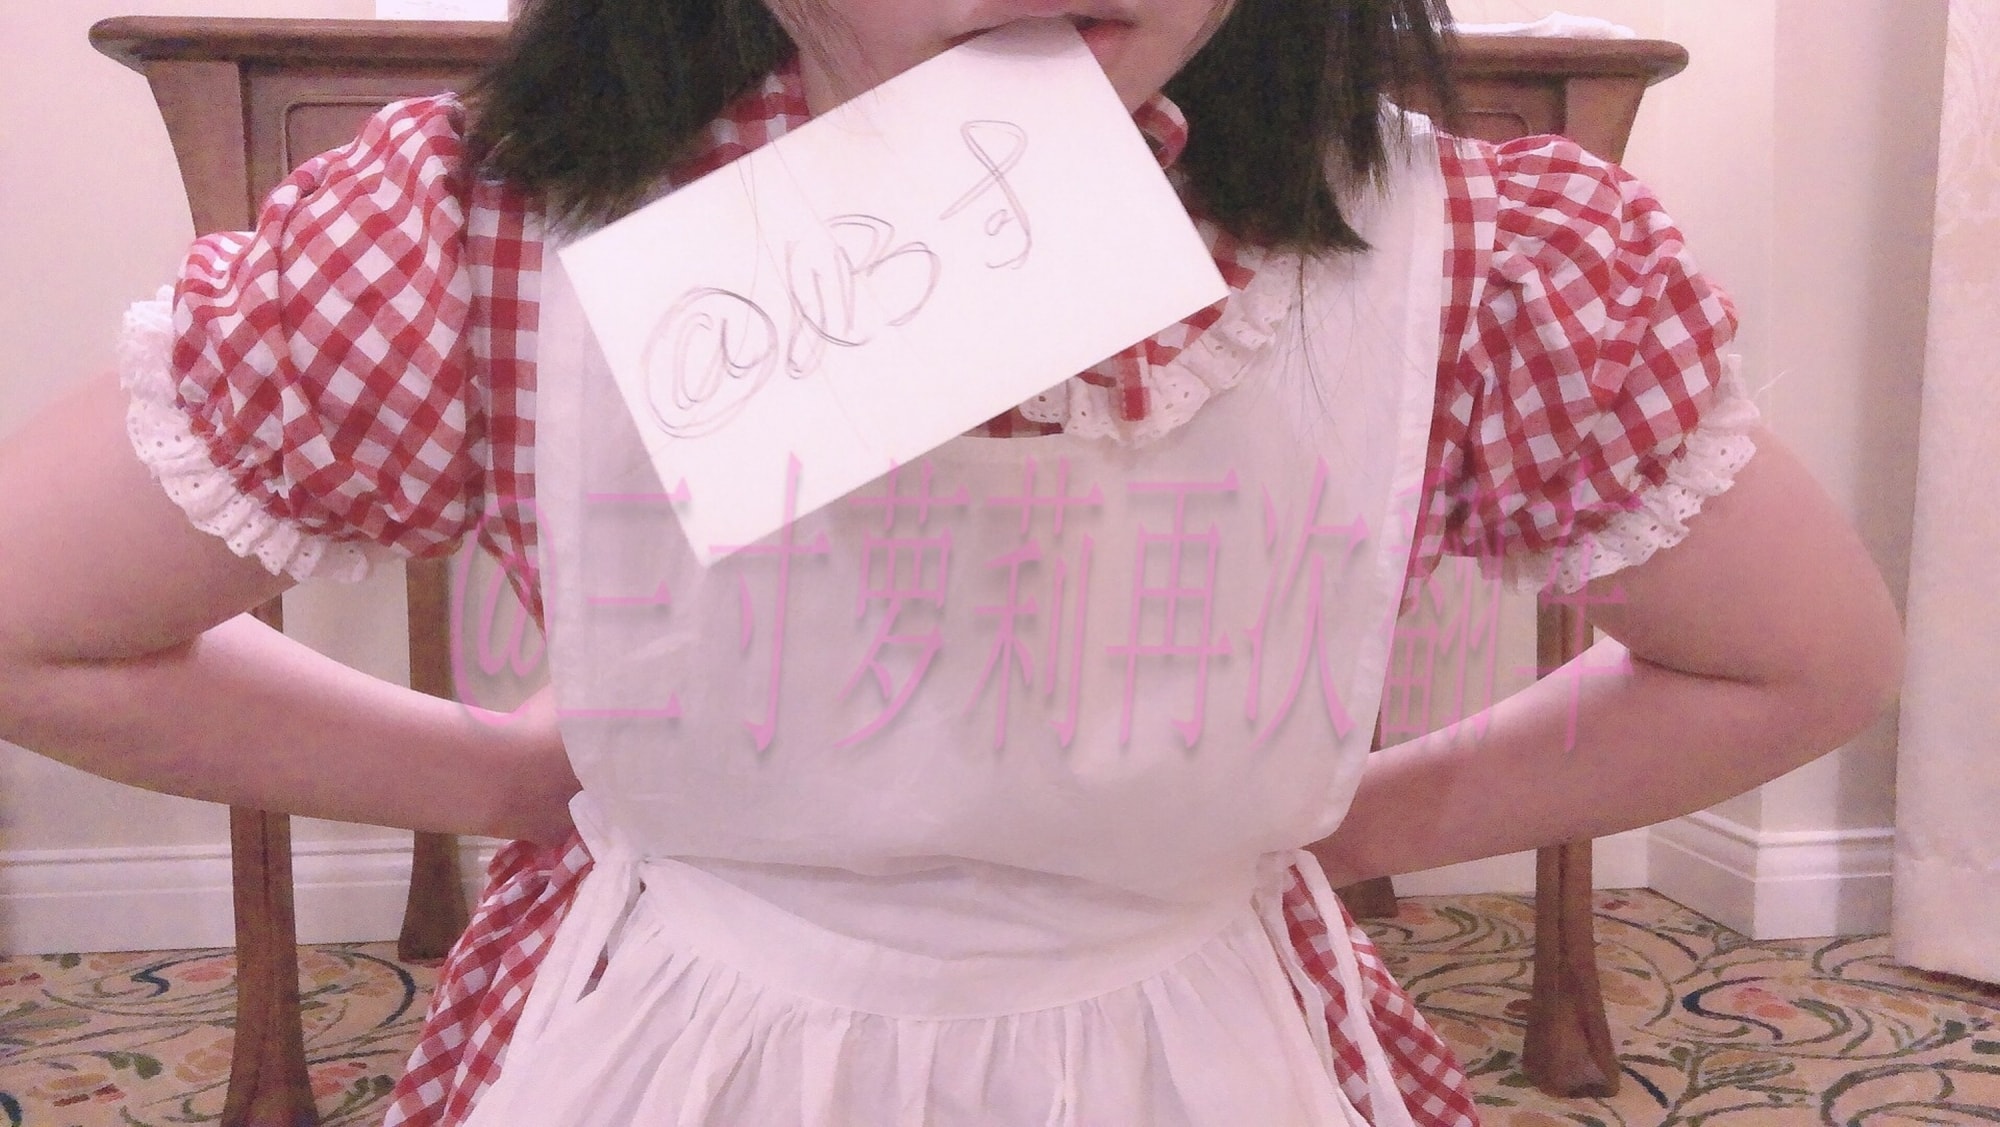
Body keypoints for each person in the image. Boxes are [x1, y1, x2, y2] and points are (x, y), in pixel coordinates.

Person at [0, 0, 1904, 1123]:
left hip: (1186, 1030)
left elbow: (1801, 660)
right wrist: (505, 775)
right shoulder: (480, 239)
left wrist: (1353, 819)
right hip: (695, 1036)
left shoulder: (1471, 262)